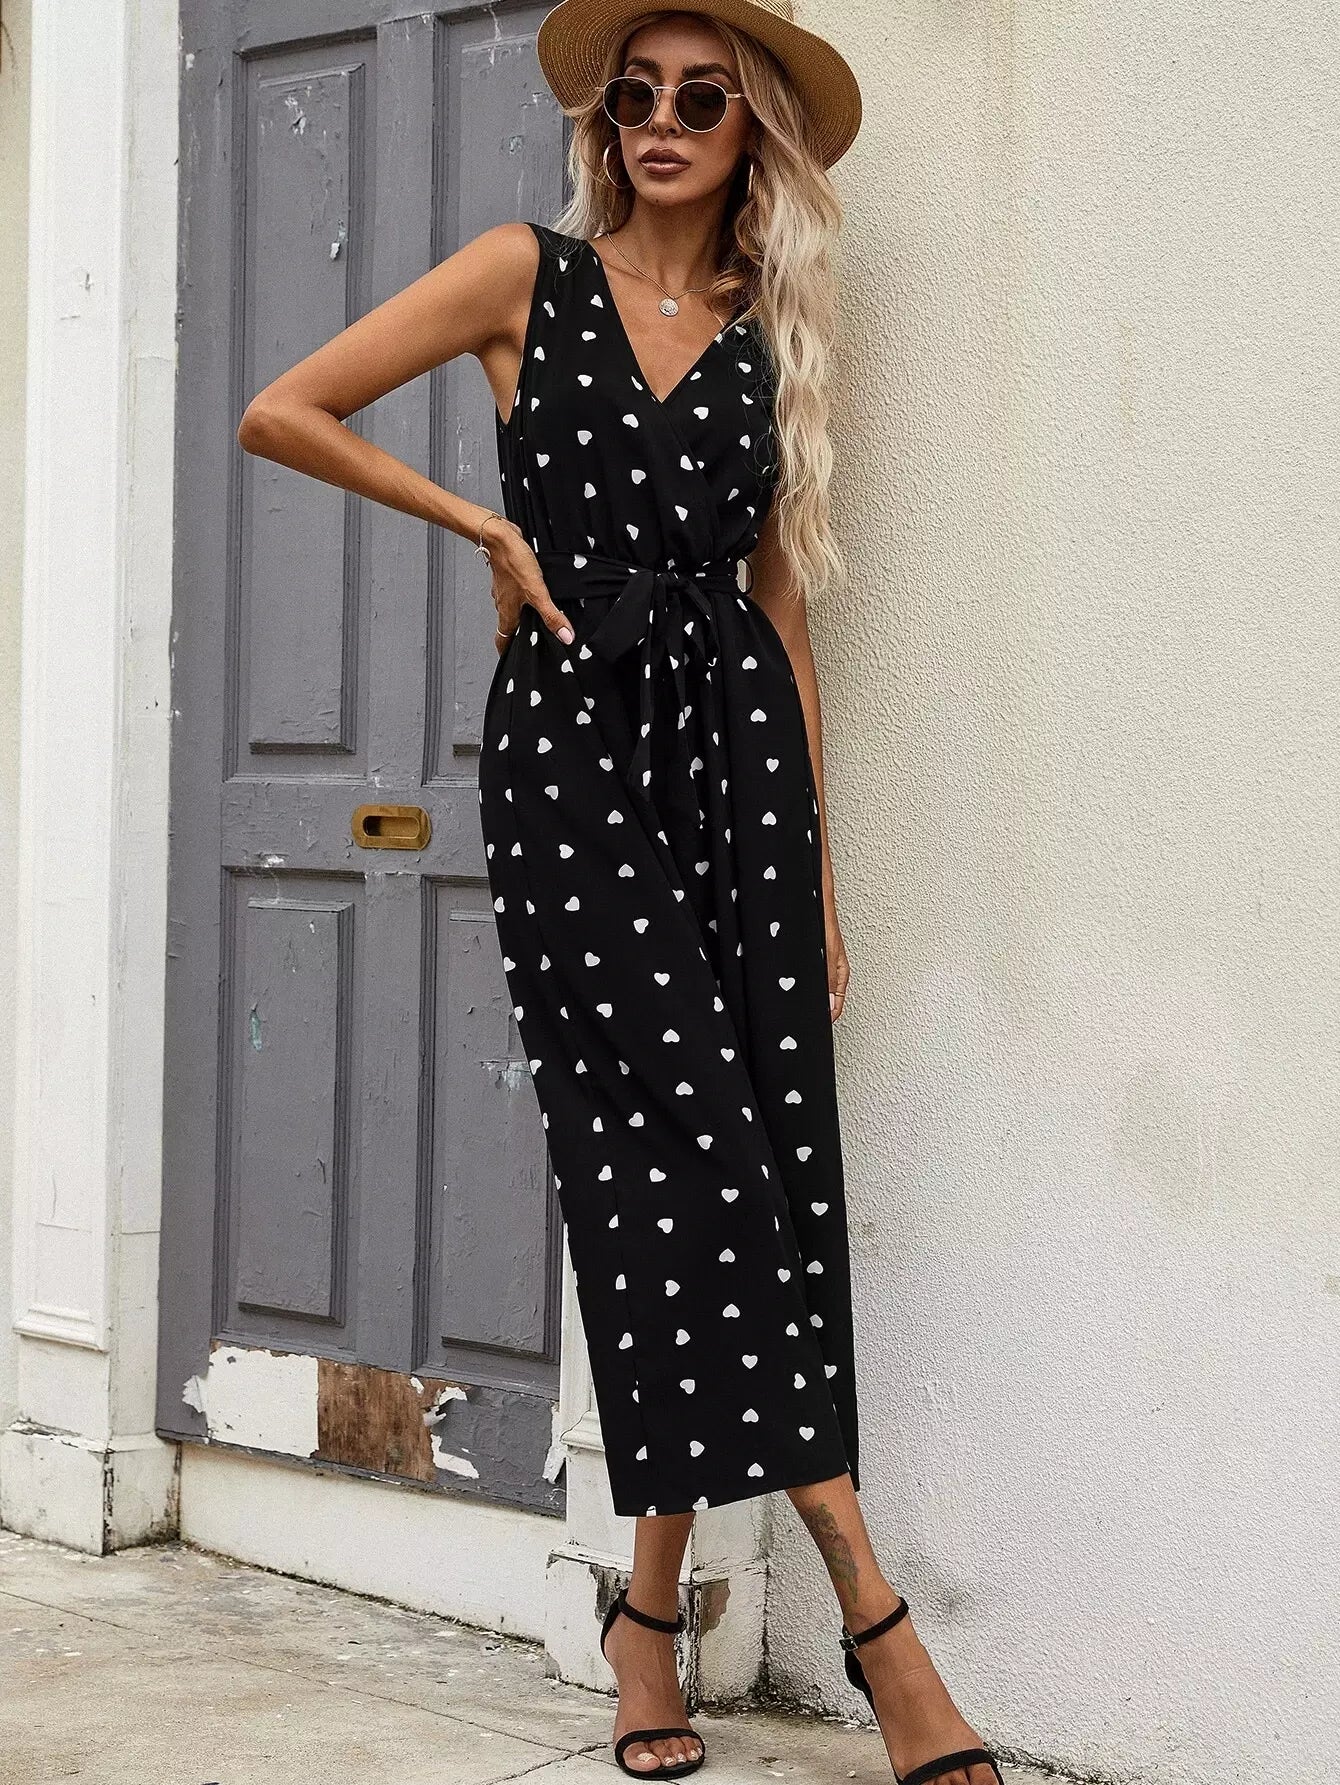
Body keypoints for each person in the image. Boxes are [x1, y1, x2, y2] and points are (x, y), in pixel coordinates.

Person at [237, 5, 1006, 1783]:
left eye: (701, 98)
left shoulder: (765, 333)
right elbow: (288, 408)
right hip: (574, 759)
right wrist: (484, 528)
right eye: (636, 93)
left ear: (751, 135)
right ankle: (879, 1617)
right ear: (608, 121)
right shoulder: (527, 275)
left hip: (737, 774)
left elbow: (782, 611)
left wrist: (818, 871)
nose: (661, 119)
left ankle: (645, 1616)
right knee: (702, 1160)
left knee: (746, 1171)